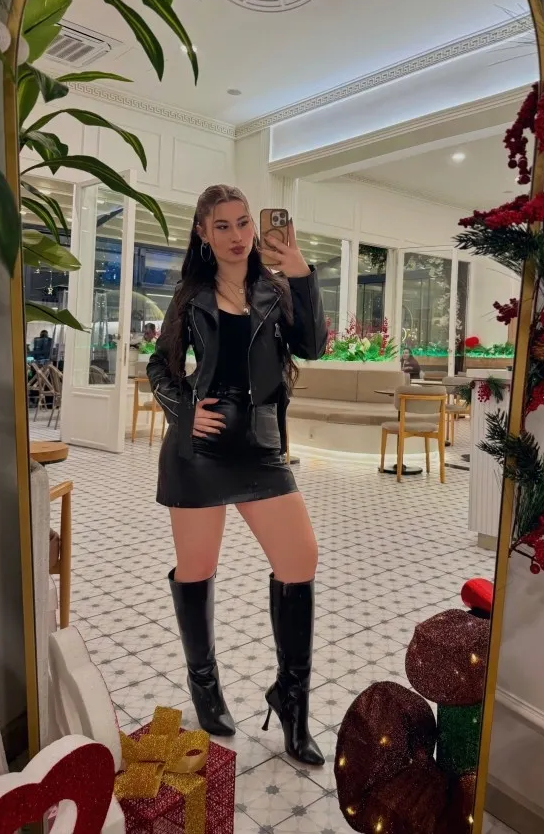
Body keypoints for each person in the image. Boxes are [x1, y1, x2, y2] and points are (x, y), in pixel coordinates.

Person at [147, 184, 327, 766]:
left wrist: (300, 272)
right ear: (203, 233)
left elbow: (314, 346)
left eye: (243, 222)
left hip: (261, 446)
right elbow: (160, 366)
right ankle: (205, 685)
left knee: (300, 558)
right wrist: (183, 411)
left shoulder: (277, 288)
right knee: (197, 569)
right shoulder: (191, 294)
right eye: (221, 225)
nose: (236, 235)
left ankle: (292, 701)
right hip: (200, 449)